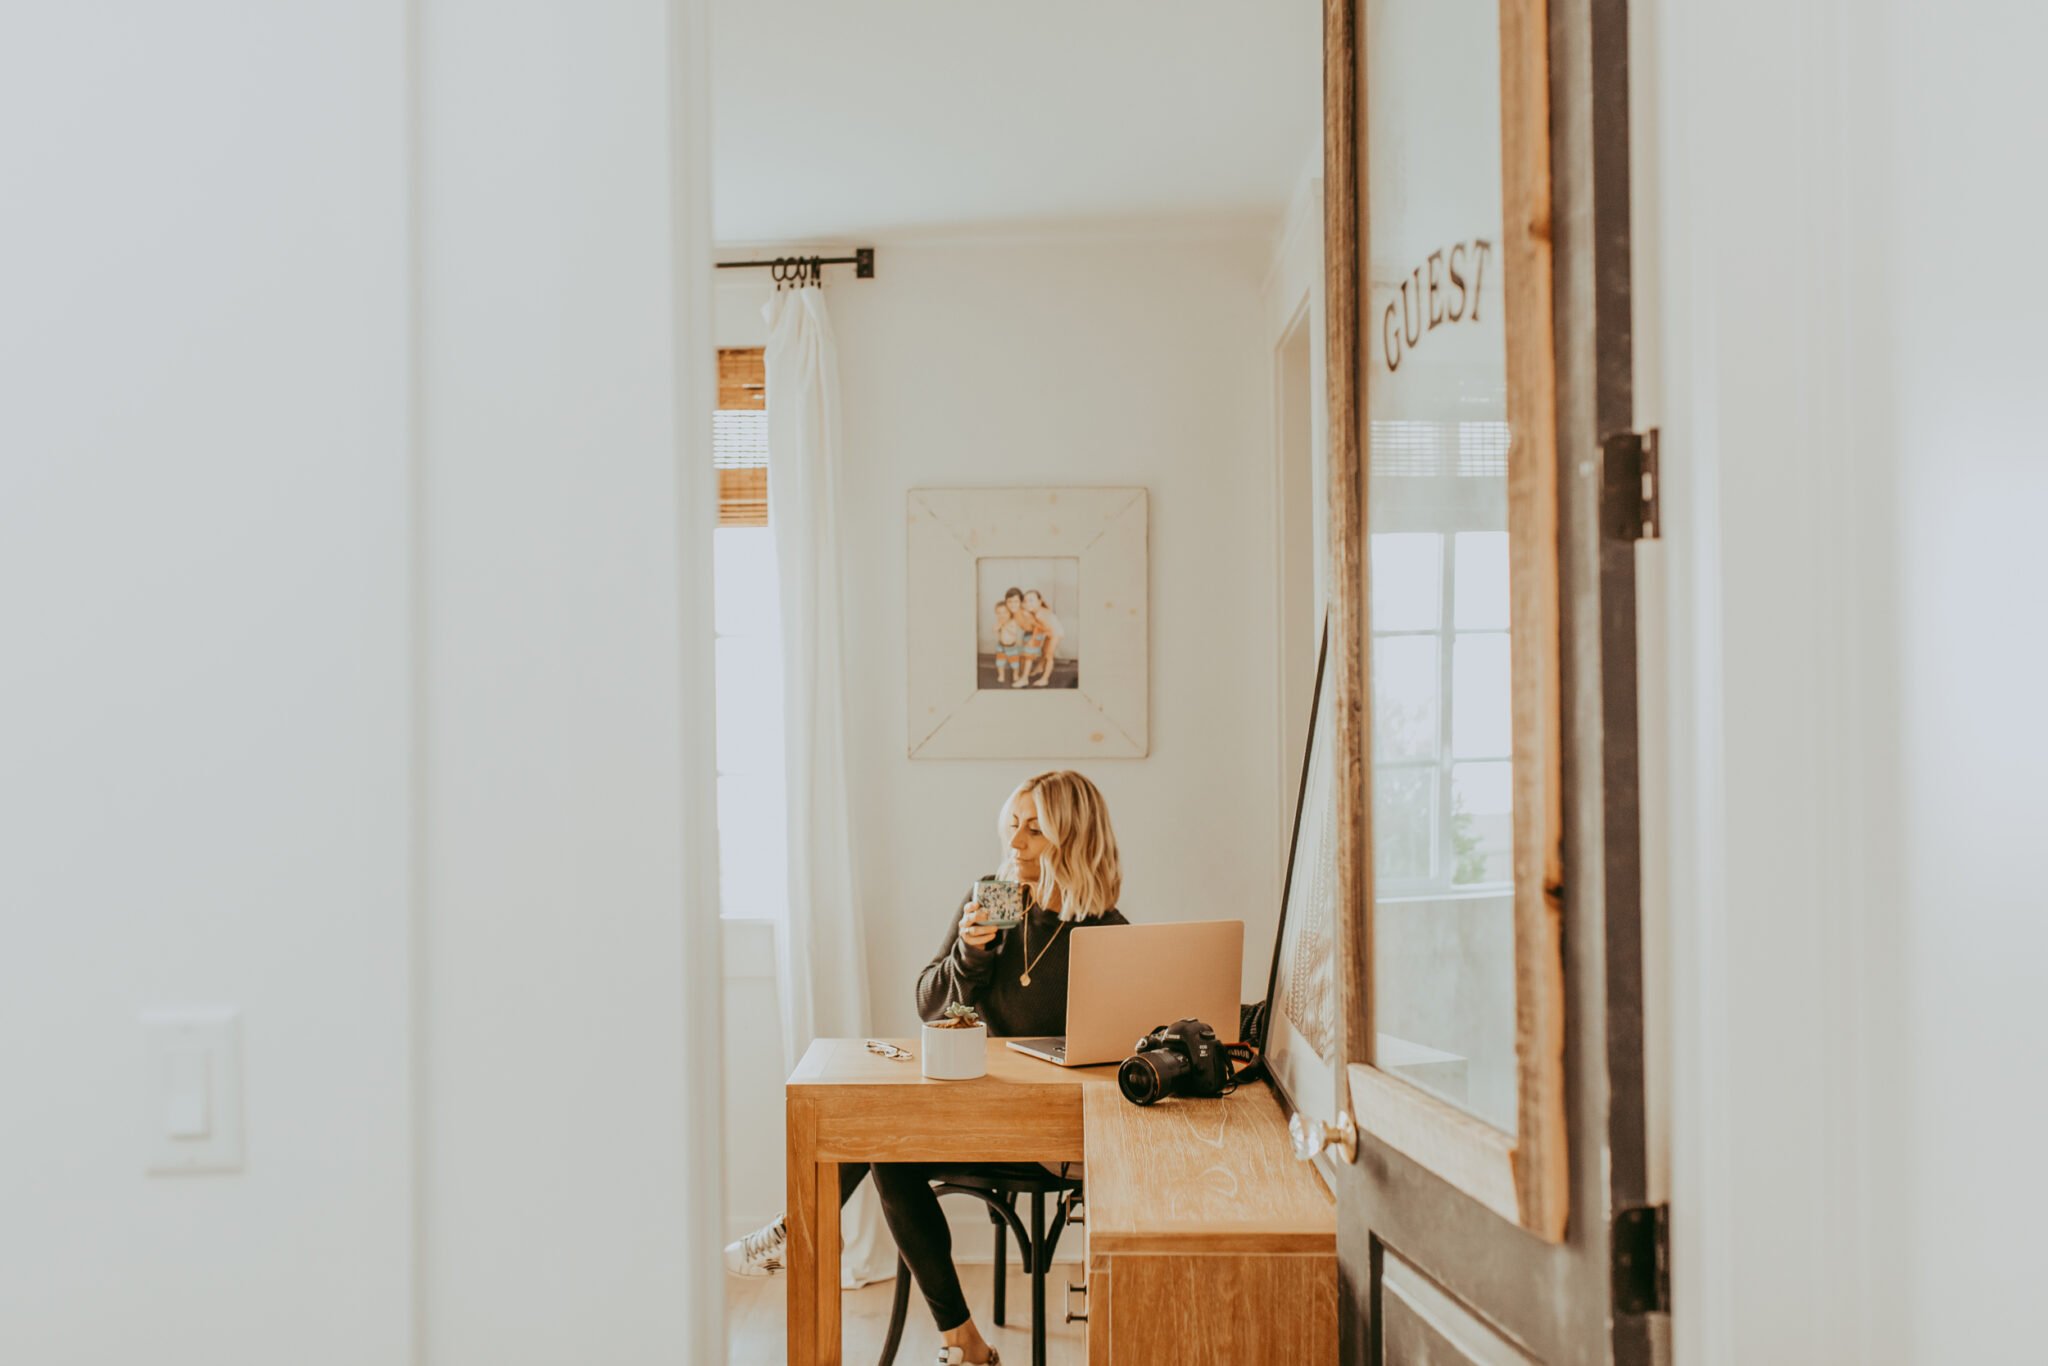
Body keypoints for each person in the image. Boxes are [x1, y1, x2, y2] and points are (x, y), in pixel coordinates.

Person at [725, 770, 1129, 1366]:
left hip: (1062, 1132)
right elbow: (930, 1003)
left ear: (1075, 837)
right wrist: (970, 955)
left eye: (1035, 830)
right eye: (1012, 825)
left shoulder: (1107, 932)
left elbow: (1121, 1045)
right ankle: (962, 1342)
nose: (1015, 843)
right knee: (886, 1150)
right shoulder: (996, 898)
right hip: (985, 1111)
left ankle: (792, 1231)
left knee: (880, 1146)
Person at [1021, 589, 1063, 687]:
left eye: (1031, 600)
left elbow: (1044, 629)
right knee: (1044, 652)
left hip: (1055, 633)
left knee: (1048, 655)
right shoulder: (1036, 611)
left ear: (1040, 601)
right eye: (1026, 601)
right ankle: (1039, 668)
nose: (1028, 603)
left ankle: (1045, 679)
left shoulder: (1040, 614)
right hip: (1048, 631)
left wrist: (1033, 641)